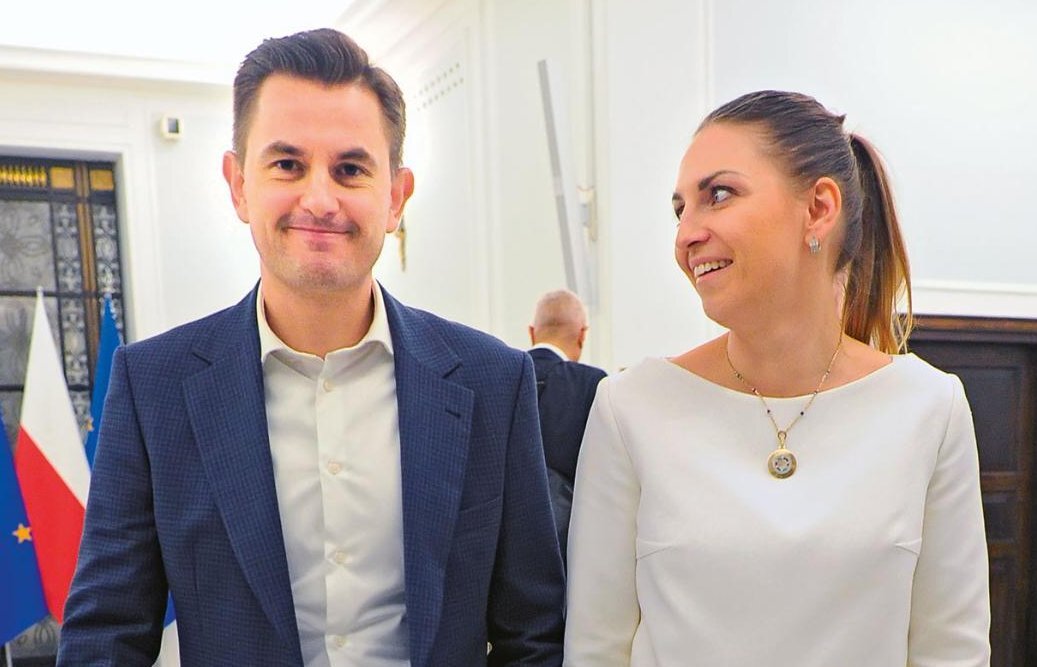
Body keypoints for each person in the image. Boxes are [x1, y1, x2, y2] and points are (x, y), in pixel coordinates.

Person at [58, 29, 564, 666]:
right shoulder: (152, 387)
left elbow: (533, 635)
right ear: (239, 186)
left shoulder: (493, 382)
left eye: (350, 169)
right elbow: (106, 636)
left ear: (395, 197)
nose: (319, 200)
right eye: (287, 165)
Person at [563, 90, 990, 665]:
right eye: (680, 210)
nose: (686, 235)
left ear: (818, 208)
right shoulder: (631, 407)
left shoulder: (928, 407)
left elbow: (951, 651)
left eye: (718, 195)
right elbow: (596, 649)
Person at [527, 289, 607, 565]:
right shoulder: (592, 384)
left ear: (532, 333)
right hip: (567, 548)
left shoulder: (497, 376)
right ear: (582, 335)